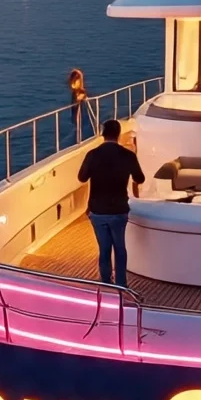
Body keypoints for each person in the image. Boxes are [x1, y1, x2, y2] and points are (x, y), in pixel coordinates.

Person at [77, 119, 146, 287]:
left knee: (104, 249)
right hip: (119, 209)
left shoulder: (93, 154)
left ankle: (106, 282)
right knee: (120, 248)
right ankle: (122, 285)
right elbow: (140, 178)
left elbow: (82, 177)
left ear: (103, 134)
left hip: (98, 210)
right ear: (118, 134)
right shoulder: (128, 155)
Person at [67, 68, 91, 141]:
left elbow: (79, 99)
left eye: (74, 82)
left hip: (82, 117)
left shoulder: (81, 93)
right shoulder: (74, 93)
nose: (72, 85)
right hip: (77, 117)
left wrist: (79, 99)